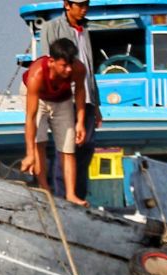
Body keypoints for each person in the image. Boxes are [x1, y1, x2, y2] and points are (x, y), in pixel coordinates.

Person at [41, 0, 102, 196]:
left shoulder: (86, 29)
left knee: (87, 148)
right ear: (67, 5)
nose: (84, 9)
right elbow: (47, 63)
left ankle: (78, 196)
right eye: (80, 5)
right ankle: (61, 197)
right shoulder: (51, 27)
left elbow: (90, 70)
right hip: (65, 98)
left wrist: (97, 105)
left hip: (87, 99)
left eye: (87, 4)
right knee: (66, 149)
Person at [20, 39, 90, 205]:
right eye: (64, 65)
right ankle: (45, 190)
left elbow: (80, 91)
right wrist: (29, 154)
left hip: (62, 99)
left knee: (68, 147)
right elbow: (30, 119)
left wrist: (80, 122)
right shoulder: (36, 74)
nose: (68, 70)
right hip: (37, 99)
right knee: (40, 142)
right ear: (51, 61)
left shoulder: (78, 69)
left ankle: (71, 195)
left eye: (70, 65)